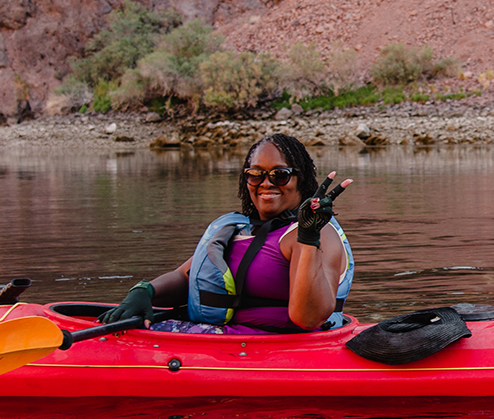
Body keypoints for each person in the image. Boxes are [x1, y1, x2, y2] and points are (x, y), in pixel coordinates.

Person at [98, 133, 355, 334]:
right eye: (255, 174)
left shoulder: (318, 234)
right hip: (221, 338)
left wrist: (309, 237)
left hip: (269, 347)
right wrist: (144, 291)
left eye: (280, 175)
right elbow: (185, 277)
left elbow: (309, 318)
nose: (266, 183)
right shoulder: (238, 228)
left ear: (301, 179)